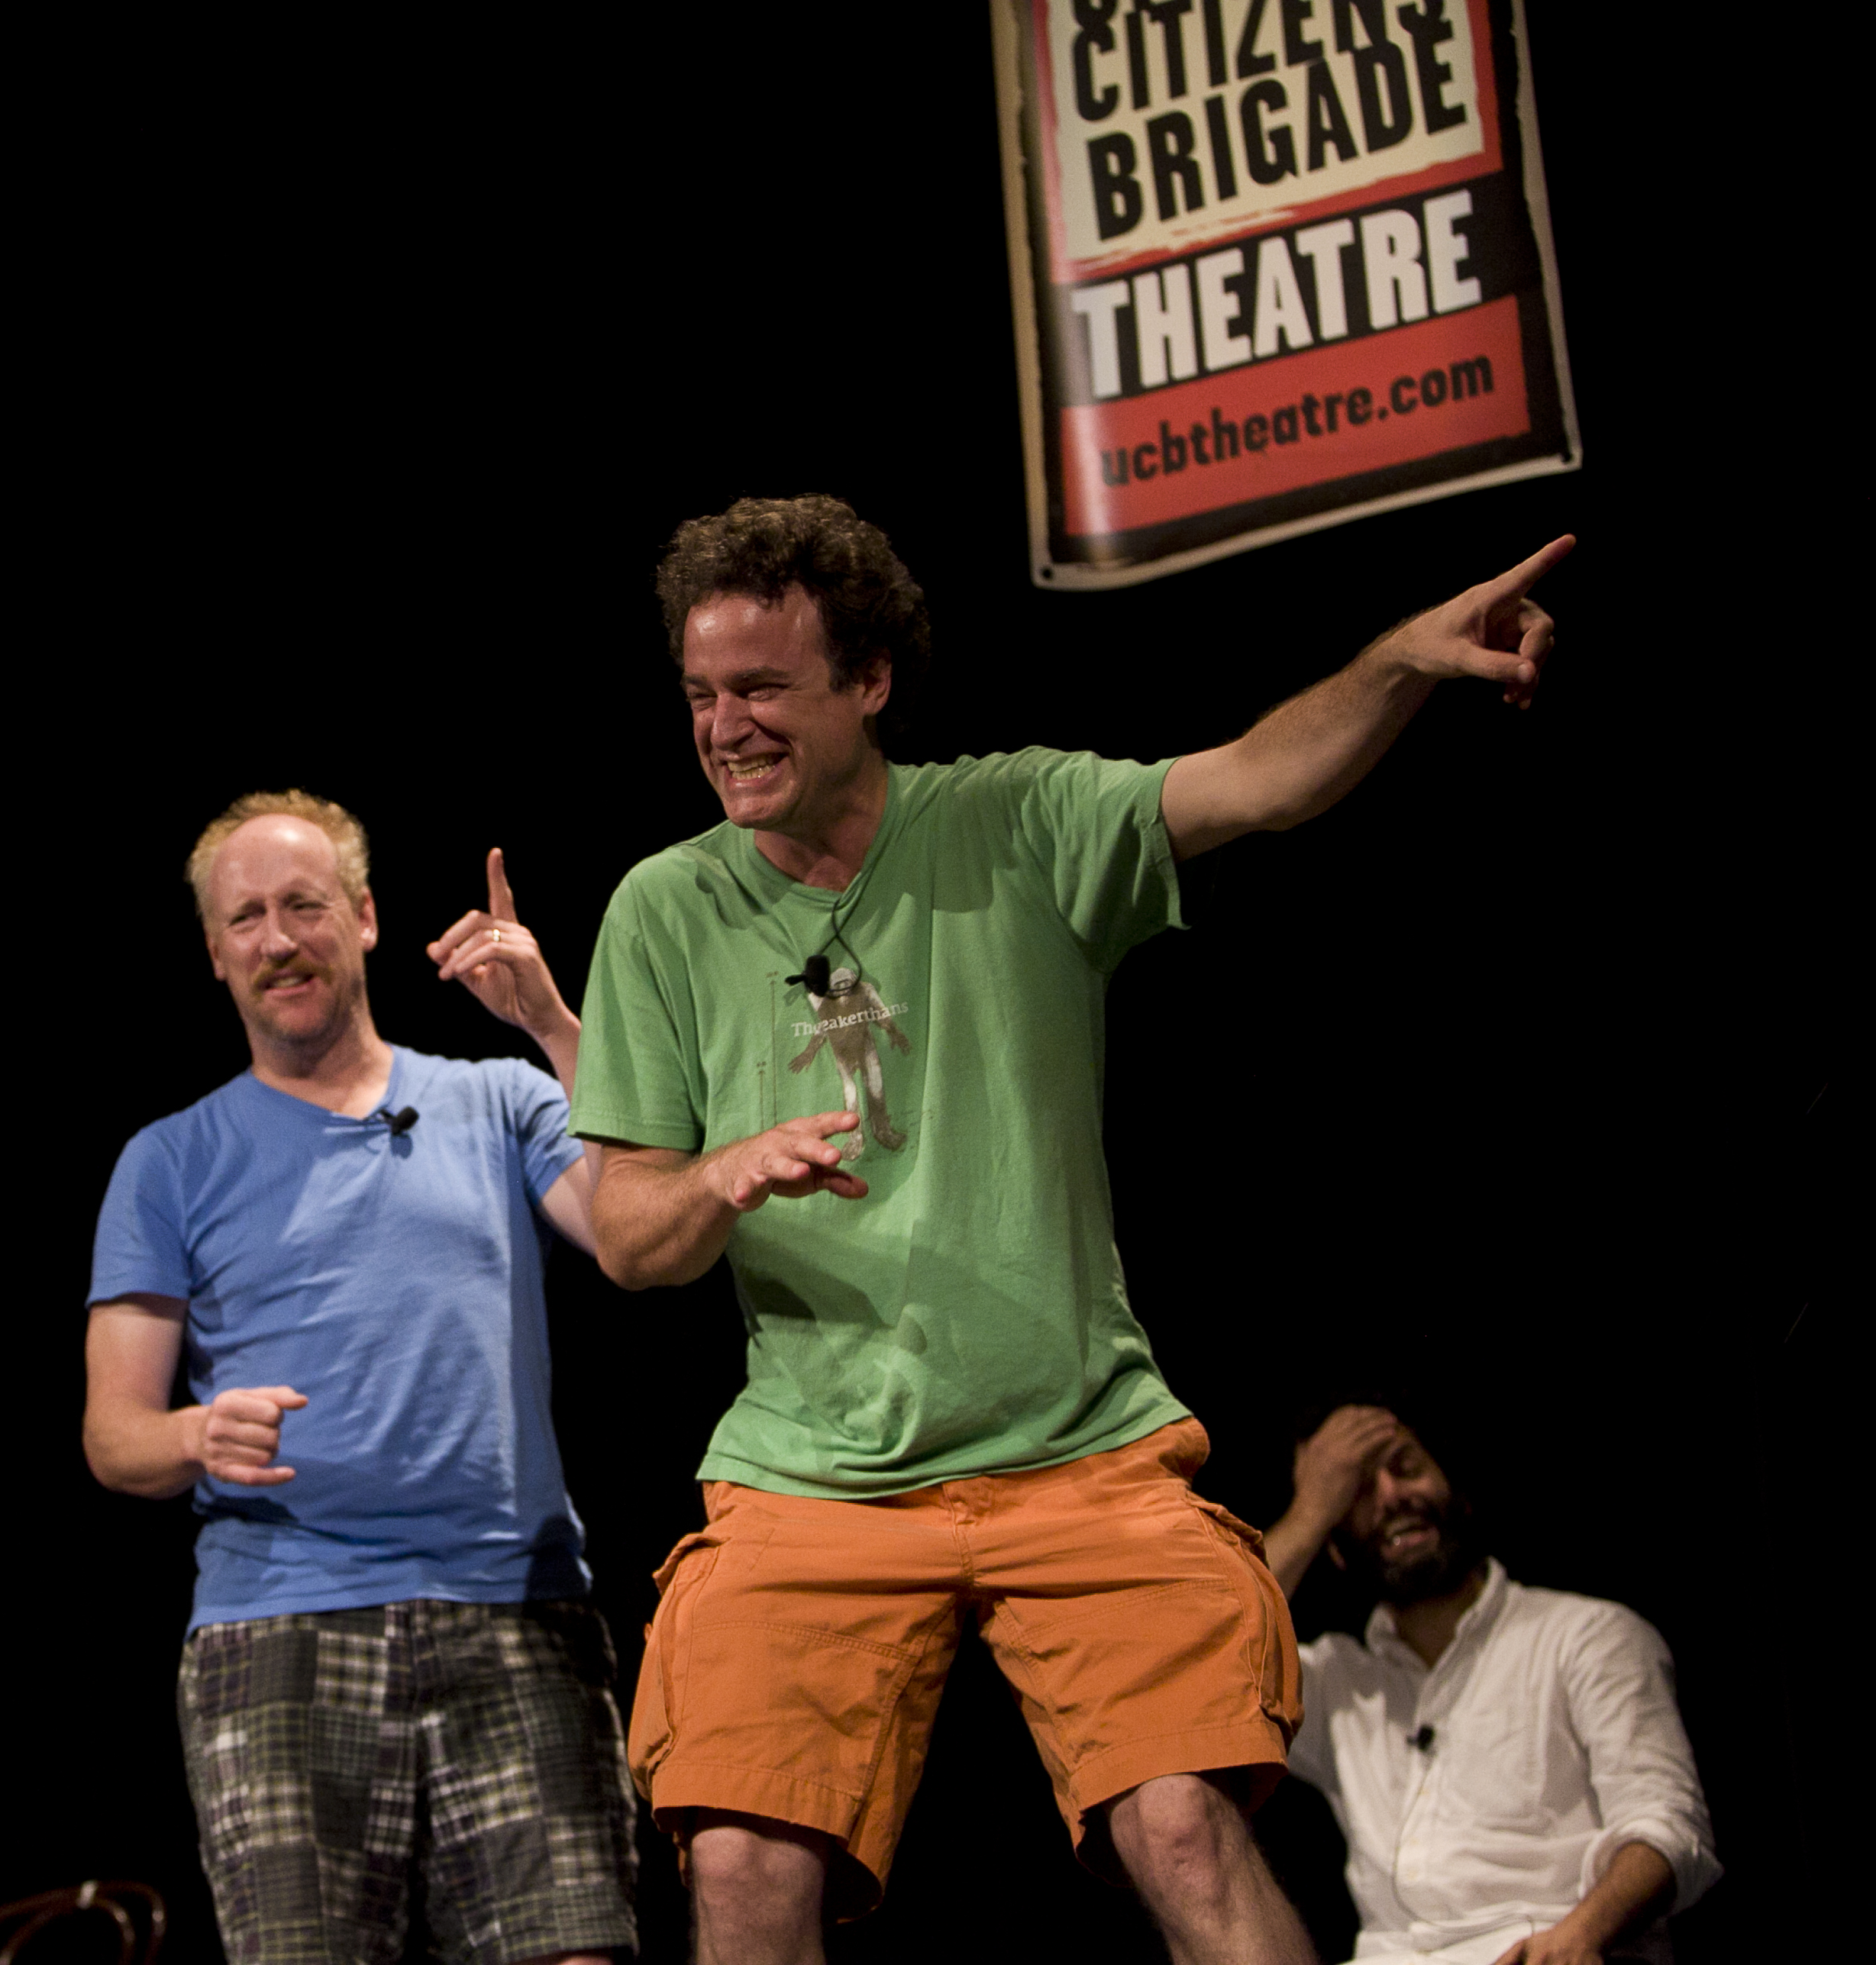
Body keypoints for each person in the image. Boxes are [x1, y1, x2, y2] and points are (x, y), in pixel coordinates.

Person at [570, 495, 1571, 1965]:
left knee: (1182, 1826)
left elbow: (1258, 782)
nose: (725, 726)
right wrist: (723, 1175)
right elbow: (629, 1236)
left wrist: (1403, 661)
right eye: (703, 695)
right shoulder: (664, 907)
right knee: (739, 1855)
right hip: (813, 1471)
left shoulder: (1017, 816)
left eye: (764, 688)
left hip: (1079, 1447)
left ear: (868, 681)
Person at [82, 789, 635, 1965]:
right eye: (245, 919)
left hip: (513, 1611)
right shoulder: (169, 1161)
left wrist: (549, 1020)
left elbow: (639, 1240)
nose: (277, 939)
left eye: (302, 905)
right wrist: (193, 1435)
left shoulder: (500, 1100)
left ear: (366, 916)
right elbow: (114, 1434)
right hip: (278, 1627)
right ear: (213, 952)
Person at [1261, 1405, 1719, 1965]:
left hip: (1545, 1947)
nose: (1389, 1496)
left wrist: (1582, 1933)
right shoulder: (1339, 1681)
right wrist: (1308, 1513)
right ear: (1333, 1546)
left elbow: (1670, 1829)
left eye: (1405, 1468)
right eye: (1355, 1490)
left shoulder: (1584, 1635)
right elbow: (1208, 1667)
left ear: (1459, 1494)